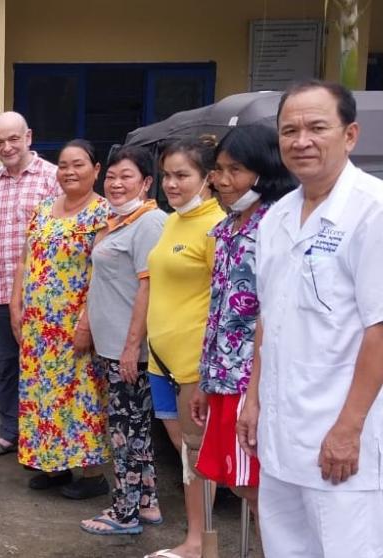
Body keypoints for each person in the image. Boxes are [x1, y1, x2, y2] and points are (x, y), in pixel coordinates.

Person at [238, 80, 383, 557]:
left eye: (317, 127)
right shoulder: (278, 217)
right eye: (290, 130)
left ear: (350, 134)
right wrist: (253, 402)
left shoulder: (371, 210)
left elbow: (379, 329)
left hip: (341, 440)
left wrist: (348, 428)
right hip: (281, 435)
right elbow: (267, 320)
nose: (302, 141)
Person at [184, 124, 296, 542]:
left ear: (264, 171)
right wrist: (204, 379)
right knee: (239, 481)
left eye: (236, 170)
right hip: (223, 377)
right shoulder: (230, 227)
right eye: (219, 170)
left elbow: (272, 314)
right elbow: (218, 313)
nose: (223, 180)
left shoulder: (276, 225)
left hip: (254, 381)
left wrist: (254, 394)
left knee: (260, 488)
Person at [9, 139, 110, 498]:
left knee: (79, 395)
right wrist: (15, 302)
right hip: (39, 325)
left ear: (96, 170)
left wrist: (86, 322)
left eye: (78, 164)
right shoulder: (43, 210)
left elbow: (103, 273)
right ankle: (54, 466)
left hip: (74, 323)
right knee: (43, 394)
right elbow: (26, 260)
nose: (69, 171)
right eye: (64, 165)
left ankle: (91, 474)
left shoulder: (103, 213)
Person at [143, 136, 225, 558]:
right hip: (161, 362)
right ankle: (198, 538)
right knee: (188, 457)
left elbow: (228, 303)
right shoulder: (173, 220)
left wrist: (210, 367)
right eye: (167, 176)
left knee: (199, 456)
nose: (171, 184)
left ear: (208, 178)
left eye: (182, 175)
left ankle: (198, 542)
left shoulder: (217, 227)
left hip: (194, 366)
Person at [79, 145, 166, 534]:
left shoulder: (149, 223)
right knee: (136, 428)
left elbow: (148, 290)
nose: (116, 183)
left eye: (126, 176)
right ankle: (146, 503)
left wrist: (132, 347)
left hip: (129, 351)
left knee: (124, 432)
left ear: (147, 182)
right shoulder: (118, 222)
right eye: (111, 176)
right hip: (112, 345)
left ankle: (124, 512)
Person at [0, 112, 60, 456]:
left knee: (42, 370)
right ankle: (10, 432)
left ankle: (43, 437)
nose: (6, 147)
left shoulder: (52, 179)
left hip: (40, 296)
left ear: (29, 137)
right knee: (5, 369)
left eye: (13, 139)